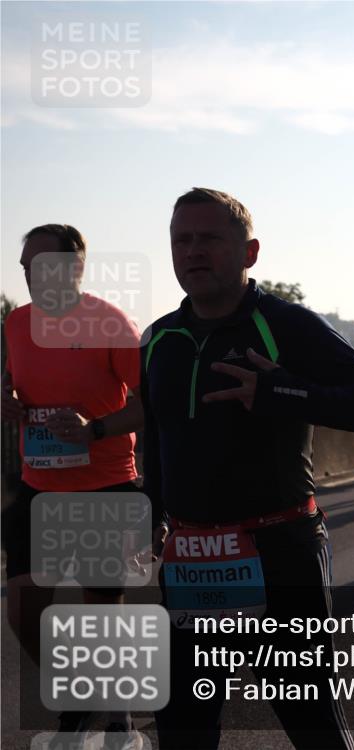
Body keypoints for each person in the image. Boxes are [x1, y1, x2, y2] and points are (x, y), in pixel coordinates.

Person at [144, 187, 354, 749]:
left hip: (280, 552)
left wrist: (282, 390)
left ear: (250, 252)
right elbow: (161, 436)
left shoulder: (285, 325)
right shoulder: (159, 337)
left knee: (314, 731)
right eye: (181, 240)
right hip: (189, 562)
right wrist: (151, 513)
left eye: (209, 238)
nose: (193, 251)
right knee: (183, 733)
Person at [1, 224, 145, 746]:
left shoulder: (111, 323)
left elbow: (148, 405)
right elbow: (15, 380)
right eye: (24, 269)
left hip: (103, 485)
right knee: (22, 606)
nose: (30, 277)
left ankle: (117, 709)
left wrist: (96, 429)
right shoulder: (17, 323)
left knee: (100, 608)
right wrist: (7, 398)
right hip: (38, 484)